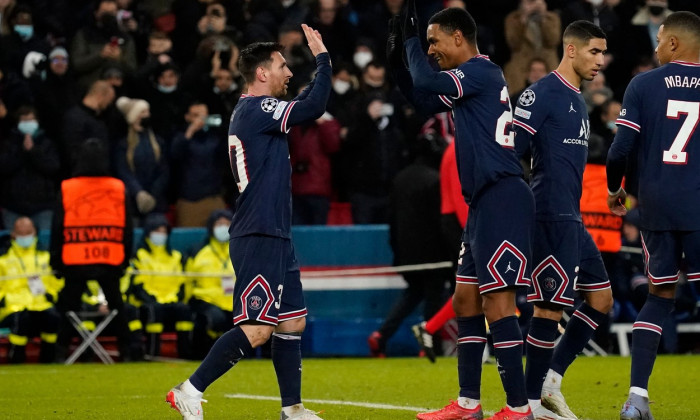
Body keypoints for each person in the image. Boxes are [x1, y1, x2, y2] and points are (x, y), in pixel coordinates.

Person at [166, 24, 331, 420]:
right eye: (282, 65)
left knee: (292, 321)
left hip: (274, 232)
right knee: (258, 329)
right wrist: (322, 57)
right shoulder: (257, 110)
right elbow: (313, 107)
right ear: (261, 73)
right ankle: (188, 389)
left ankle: (292, 409)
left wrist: (310, 80)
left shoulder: (257, 113)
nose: (288, 72)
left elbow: (303, 103)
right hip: (258, 232)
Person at [390, 5, 536, 419]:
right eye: (429, 42)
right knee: (466, 301)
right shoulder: (469, 82)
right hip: (484, 204)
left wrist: (413, 43)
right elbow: (421, 97)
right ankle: (469, 404)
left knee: (498, 306)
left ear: (459, 37)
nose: (431, 49)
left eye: (436, 41)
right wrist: (400, 59)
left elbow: (425, 77)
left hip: (502, 198)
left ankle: (519, 408)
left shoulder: (481, 71)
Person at [511, 20, 613, 420]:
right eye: (594, 51)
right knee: (548, 310)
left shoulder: (578, 99)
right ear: (570, 50)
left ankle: (551, 380)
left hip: (573, 217)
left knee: (601, 298)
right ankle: (531, 404)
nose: (601, 61)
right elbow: (512, 151)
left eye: (603, 53)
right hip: (550, 215)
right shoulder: (540, 95)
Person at [605, 11, 700, 420]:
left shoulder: (643, 84)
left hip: (657, 206)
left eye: (660, 40)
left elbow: (620, 149)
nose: (656, 47)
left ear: (675, 43)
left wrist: (616, 188)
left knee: (659, 296)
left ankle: (637, 401)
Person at [50, 138, 134, 362]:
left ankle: (60, 351)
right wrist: (125, 258)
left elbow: (57, 226)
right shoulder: (117, 187)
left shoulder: (68, 187)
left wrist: (55, 260)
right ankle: (127, 351)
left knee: (69, 307)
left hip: (75, 258)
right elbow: (128, 227)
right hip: (109, 257)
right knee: (117, 307)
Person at [0, 217, 63, 363]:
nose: (25, 237)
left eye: (28, 232)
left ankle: (49, 358)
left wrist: (51, 295)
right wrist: (2, 299)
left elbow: (55, 282)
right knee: (21, 319)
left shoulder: (44, 256)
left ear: (35, 232)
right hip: (12, 307)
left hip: (40, 303)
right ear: (13, 234)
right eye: (21, 233)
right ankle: (16, 357)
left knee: (53, 318)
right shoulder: (3, 258)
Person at [129, 214, 192, 359]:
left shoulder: (175, 256)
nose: (160, 235)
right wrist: (152, 299)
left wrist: (176, 297)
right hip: (148, 301)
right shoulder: (139, 255)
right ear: (148, 233)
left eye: (164, 232)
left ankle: (185, 354)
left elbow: (182, 282)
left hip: (171, 299)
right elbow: (138, 284)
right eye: (157, 231)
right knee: (154, 310)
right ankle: (152, 354)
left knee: (184, 309)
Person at [0, 105, 61, 231]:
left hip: (43, 207)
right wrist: (22, 152)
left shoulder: (47, 143)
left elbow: (53, 167)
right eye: (24, 121)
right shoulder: (8, 144)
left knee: (44, 244)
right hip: (13, 207)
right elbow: (3, 167)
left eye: (30, 120)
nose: (28, 124)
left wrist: (33, 152)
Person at [186, 209, 235, 359]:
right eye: (219, 224)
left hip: (234, 299)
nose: (223, 228)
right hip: (205, 299)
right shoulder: (198, 251)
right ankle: (203, 356)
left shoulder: (240, 250)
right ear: (211, 227)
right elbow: (188, 280)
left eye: (227, 224)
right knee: (214, 318)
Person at [114, 96, 169, 224]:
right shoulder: (123, 145)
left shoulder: (158, 142)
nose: (147, 115)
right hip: (133, 204)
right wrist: (139, 193)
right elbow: (123, 171)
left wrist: (153, 195)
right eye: (143, 112)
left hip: (156, 203)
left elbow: (164, 170)